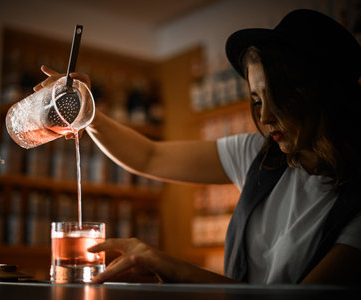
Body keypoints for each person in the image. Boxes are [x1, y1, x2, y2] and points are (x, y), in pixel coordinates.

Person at [34, 9, 361, 285]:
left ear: (324, 96)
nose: (264, 116)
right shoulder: (260, 156)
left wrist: (172, 267)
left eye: (280, 100)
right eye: (257, 99)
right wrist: (86, 111)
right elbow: (151, 157)